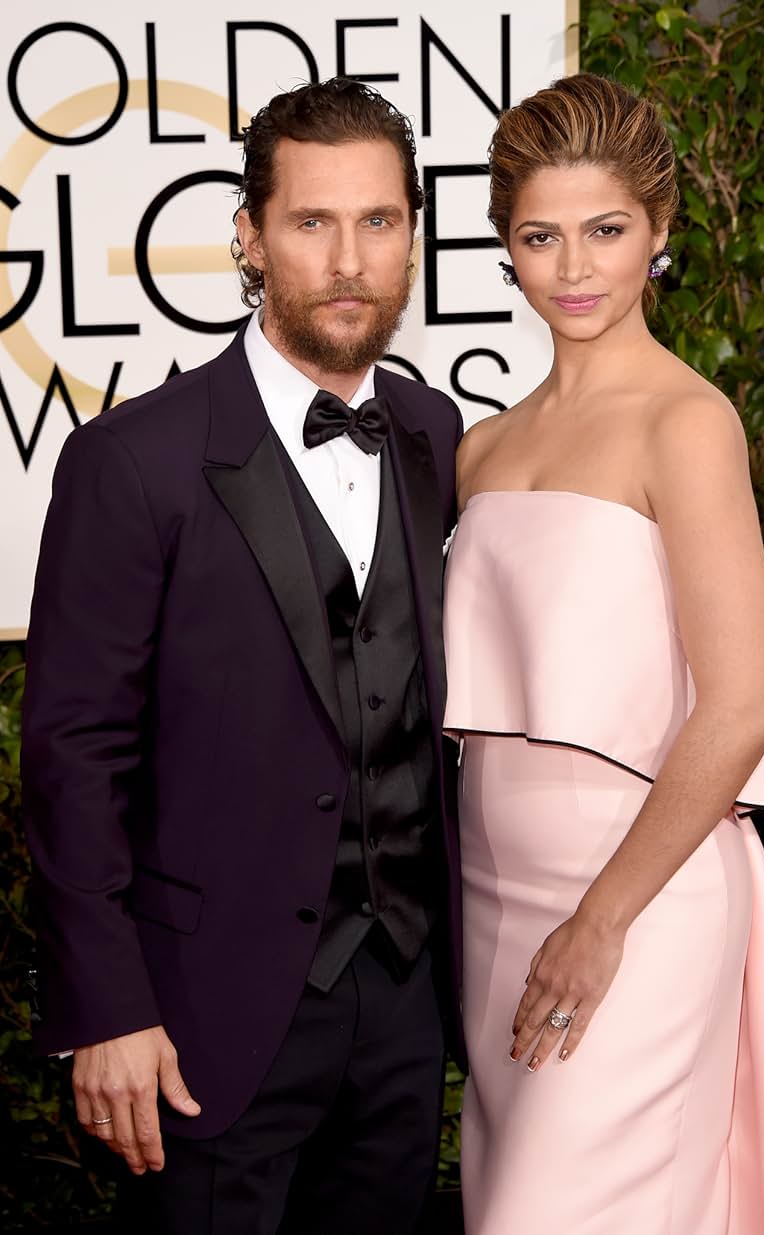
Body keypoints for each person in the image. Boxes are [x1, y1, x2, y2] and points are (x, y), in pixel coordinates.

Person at [22, 77, 464, 1235]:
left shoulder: (436, 436)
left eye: (378, 220)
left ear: (413, 234)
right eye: (311, 222)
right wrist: (104, 1006)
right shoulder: (134, 460)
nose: (348, 258)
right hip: (200, 1015)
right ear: (250, 236)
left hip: (405, 1007)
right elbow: (73, 752)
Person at [443, 73, 764, 1234]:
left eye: (605, 231)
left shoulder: (684, 420)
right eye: (540, 236)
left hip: (638, 901)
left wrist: (602, 917)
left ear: (657, 231)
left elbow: (742, 701)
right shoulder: (482, 448)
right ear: (506, 249)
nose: (574, 268)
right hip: (495, 905)